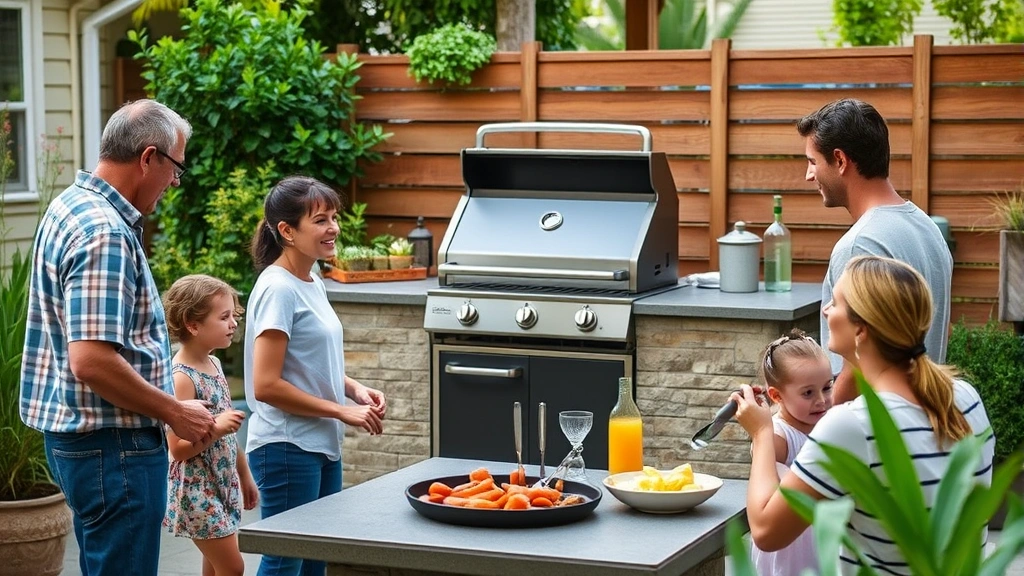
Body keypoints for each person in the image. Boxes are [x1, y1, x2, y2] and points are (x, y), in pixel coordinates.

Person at [20, 99, 217, 576]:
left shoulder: (70, 204)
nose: (175, 181)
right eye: (175, 169)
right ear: (148, 158)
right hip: (114, 448)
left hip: (85, 443)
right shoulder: (105, 231)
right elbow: (90, 360)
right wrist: (174, 412)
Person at [733, 256, 994, 575]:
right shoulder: (965, 396)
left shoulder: (854, 424)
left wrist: (761, 433)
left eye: (836, 302)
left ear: (861, 330)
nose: (826, 309)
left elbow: (765, 532)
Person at [245, 175, 387, 576]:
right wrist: (340, 411)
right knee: (284, 559)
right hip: (287, 447)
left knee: (314, 558)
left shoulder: (312, 281)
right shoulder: (279, 289)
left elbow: (309, 361)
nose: (333, 228)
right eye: (321, 220)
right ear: (287, 231)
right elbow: (266, 385)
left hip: (320, 443)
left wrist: (355, 389)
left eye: (334, 218)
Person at [797, 98, 953, 404]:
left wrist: (815, 436)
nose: (809, 175)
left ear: (840, 161)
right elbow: (942, 331)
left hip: (872, 437)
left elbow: (853, 371)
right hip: (921, 425)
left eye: (813, 162)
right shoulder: (927, 228)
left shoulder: (859, 245)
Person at [162, 274, 259, 576]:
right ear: (193, 324)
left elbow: (229, 437)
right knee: (233, 567)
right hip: (196, 490)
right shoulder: (181, 378)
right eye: (224, 317)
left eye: (234, 315)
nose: (233, 323)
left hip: (221, 482)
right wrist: (216, 428)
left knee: (215, 567)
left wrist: (244, 476)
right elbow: (177, 451)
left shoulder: (215, 364)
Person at [748, 329, 834, 576]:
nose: (821, 400)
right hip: (789, 556)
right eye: (808, 392)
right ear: (776, 395)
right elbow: (761, 449)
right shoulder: (780, 435)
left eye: (827, 387)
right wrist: (759, 428)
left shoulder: (829, 423)